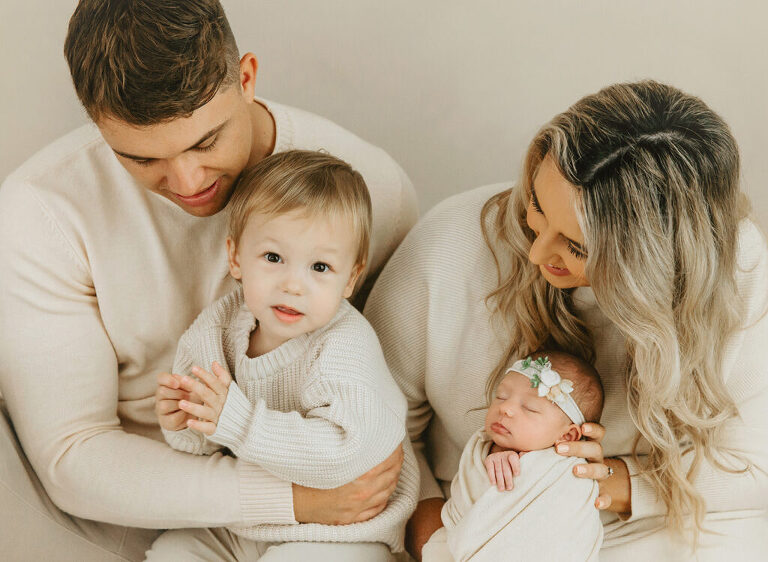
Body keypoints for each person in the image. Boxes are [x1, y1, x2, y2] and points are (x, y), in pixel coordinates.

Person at [0, 1, 417, 560]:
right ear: (97, 124)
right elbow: (74, 455)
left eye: (205, 142)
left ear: (246, 78)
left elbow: (396, 402)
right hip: (131, 517)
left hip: (338, 513)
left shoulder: (367, 188)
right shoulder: (41, 212)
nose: (188, 181)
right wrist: (287, 499)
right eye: (142, 158)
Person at [364, 80, 768, 561]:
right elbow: (377, 421)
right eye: (536, 206)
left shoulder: (733, 271)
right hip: (461, 510)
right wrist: (434, 539)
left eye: (576, 247)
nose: (535, 251)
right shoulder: (448, 242)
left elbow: (753, 468)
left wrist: (607, 482)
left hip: (650, 515)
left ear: (657, 261)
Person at [147, 150, 419, 559]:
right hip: (254, 522)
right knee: (172, 551)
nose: (294, 285)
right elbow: (205, 443)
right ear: (236, 257)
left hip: (347, 531)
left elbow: (342, 457)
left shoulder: (343, 346)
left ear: (351, 278)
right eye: (273, 258)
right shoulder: (217, 328)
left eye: (321, 267)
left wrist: (235, 421)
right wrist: (186, 422)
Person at [421, 351, 604, 561]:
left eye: (529, 408)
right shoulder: (482, 446)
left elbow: (558, 535)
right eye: (501, 396)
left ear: (567, 435)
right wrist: (492, 455)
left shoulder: (565, 472)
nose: (505, 408)